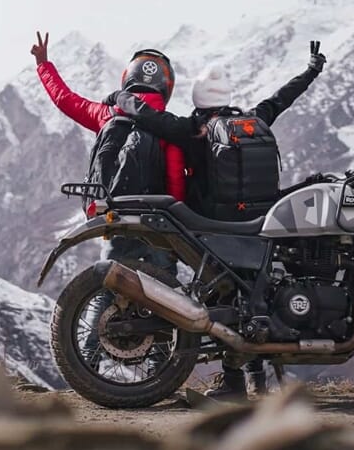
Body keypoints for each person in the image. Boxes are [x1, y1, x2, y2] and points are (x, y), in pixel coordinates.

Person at [110, 40, 328, 400]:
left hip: (213, 227)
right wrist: (311, 70)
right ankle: (258, 380)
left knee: (222, 302)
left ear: (197, 100)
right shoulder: (252, 120)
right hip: (261, 222)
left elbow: (144, 115)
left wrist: (118, 98)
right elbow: (281, 99)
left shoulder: (191, 131)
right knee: (256, 295)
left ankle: (232, 384)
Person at [30, 31, 185, 272]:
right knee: (168, 289)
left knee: (109, 281)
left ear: (128, 78)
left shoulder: (107, 114)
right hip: (157, 221)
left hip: (116, 215)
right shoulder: (168, 124)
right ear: (166, 87)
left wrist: (43, 65)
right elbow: (175, 178)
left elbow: (66, 100)